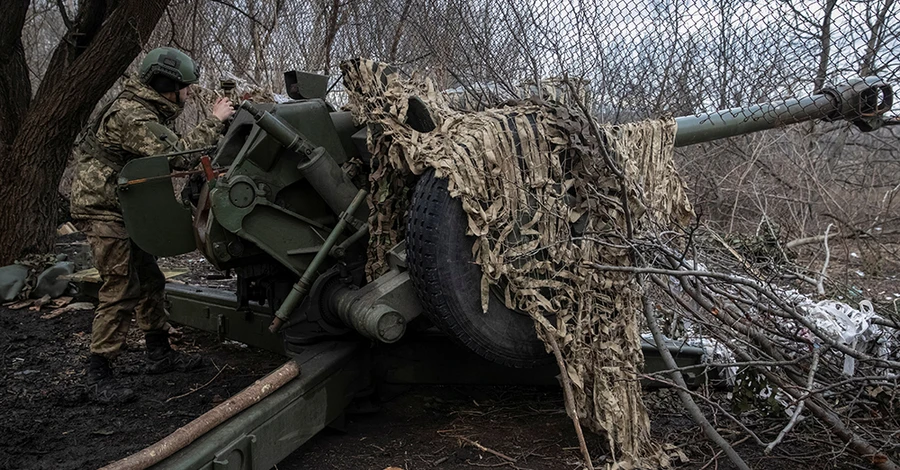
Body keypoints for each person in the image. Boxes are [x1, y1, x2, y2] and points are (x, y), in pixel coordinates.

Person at [69, 47, 236, 403]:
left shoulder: (145, 108)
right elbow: (178, 156)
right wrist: (215, 120)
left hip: (123, 205)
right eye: (185, 87)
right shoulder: (132, 115)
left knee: (151, 280)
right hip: (103, 207)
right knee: (121, 286)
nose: (189, 93)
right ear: (166, 84)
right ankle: (97, 373)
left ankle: (159, 354)